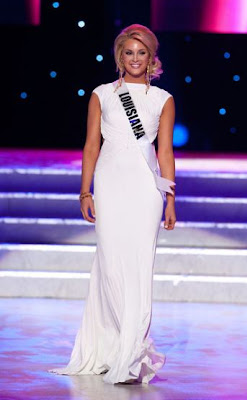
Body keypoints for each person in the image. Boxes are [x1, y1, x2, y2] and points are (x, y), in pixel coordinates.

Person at [49, 23, 176, 385]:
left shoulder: (163, 99)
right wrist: (84, 191)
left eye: (141, 53)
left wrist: (170, 199)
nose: (135, 59)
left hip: (145, 187)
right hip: (109, 181)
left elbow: (164, 151)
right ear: (119, 57)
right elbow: (91, 145)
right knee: (109, 264)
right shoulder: (102, 94)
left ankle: (131, 349)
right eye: (128, 52)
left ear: (151, 58)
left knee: (138, 265)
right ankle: (110, 346)